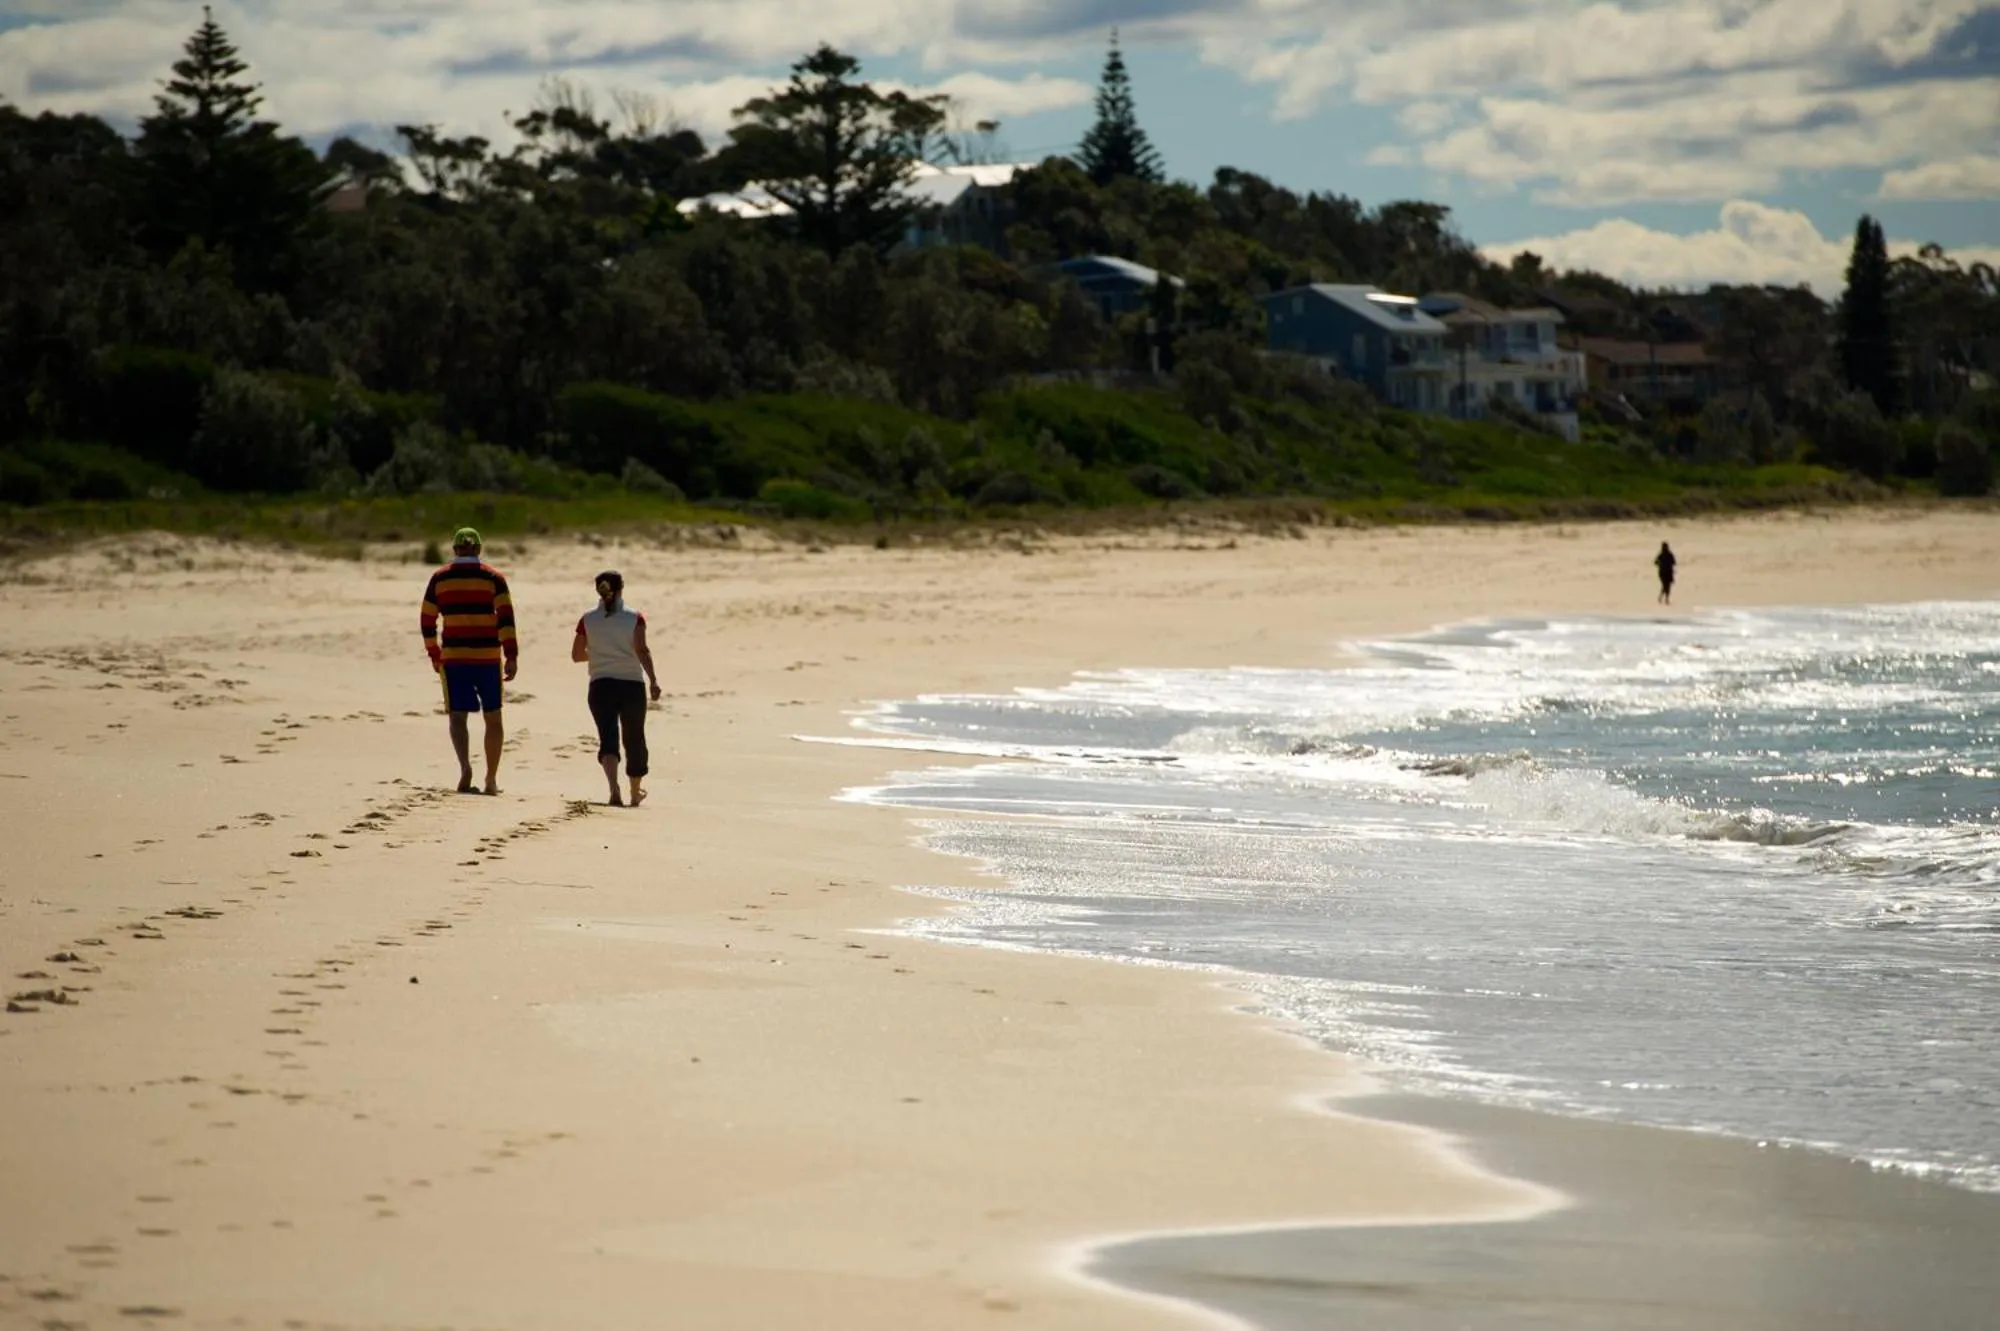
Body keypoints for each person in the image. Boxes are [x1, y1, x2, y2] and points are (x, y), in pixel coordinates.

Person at [419, 527, 518, 794]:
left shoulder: (440, 578)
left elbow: (427, 620)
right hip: (487, 657)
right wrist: (511, 655)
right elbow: (506, 619)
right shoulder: (494, 578)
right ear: (478, 549)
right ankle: (491, 779)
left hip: (454, 658)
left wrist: (434, 653)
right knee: (493, 717)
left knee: (458, 717)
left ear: (454, 549)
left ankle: (465, 767)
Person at [571, 569, 662, 807]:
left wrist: (601, 655)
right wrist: (653, 679)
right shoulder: (635, 618)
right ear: (621, 588)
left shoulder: (587, 619)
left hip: (600, 685)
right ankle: (634, 791)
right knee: (634, 738)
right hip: (631, 685)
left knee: (608, 737)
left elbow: (577, 655)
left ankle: (613, 788)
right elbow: (642, 650)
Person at [1654, 540, 1677, 605]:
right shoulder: (1668, 554)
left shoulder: (1662, 554)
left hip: (1664, 572)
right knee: (1666, 586)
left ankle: (1663, 598)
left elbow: (1655, 562)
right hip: (1667, 572)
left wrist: (1660, 564)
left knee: (1666, 586)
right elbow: (1674, 562)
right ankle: (1665, 598)